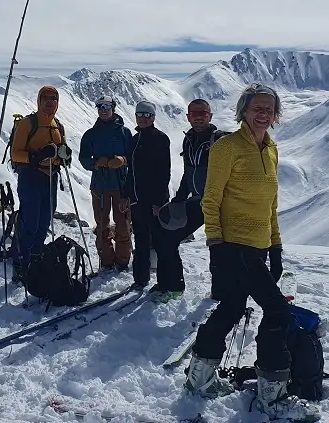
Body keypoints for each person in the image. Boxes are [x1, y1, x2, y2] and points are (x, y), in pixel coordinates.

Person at [184, 84, 319, 423]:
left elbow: (270, 206)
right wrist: (216, 245)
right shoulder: (227, 147)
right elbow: (210, 199)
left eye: (269, 108)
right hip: (233, 246)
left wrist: (275, 246)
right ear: (243, 110)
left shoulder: (270, 149)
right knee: (277, 312)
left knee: (230, 308)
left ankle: (199, 378)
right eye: (256, 106)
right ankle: (272, 395)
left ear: (276, 115)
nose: (263, 113)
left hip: (259, 247)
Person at [165, 98, 228, 296]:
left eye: (203, 114)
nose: (198, 118)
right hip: (197, 201)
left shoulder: (220, 140)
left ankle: (220, 294)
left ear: (210, 116)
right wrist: (179, 199)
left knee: (218, 249)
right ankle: (174, 285)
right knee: (167, 237)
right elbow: (188, 172)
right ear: (188, 117)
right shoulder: (189, 138)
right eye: (194, 114)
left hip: (219, 204)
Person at [7, 85, 69, 280]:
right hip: (31, 178)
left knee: (44, 221)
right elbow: (15, 153)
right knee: (29, 223)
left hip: (51, 178)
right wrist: (36, 157)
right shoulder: (28, 124)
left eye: (54, 98)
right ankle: (21, 263)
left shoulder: (57, 125)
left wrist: (64, 157)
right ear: (39, 101)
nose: (50, 102)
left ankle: (35, 259)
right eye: (46, 98)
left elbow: (61, 151)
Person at [78, 95, 134, 272]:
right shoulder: (90, 135)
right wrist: (95, 163)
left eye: (106, 106)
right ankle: (107, 261)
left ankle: (123, 260)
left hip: (120, 184)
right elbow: (83, 158)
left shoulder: (125, 133)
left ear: (113, 108)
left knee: (123, 224)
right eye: (100, 106)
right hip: (100, 185)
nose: (103, 109)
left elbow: (133, 158)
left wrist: (123, 160)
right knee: (102, 224)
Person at [124, 100, 173, 296]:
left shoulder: (161, 139)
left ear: (153, 117)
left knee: (160, 242)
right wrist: (126, 196)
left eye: (147, 115)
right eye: (140, 115)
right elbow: (130, 173)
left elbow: (164, 173)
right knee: (141, 240)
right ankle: (140, 278)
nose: (143, 118)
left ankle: (164, 281)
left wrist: (159, 203)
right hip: (137, 201)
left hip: (154, 201)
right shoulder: (134, 140)